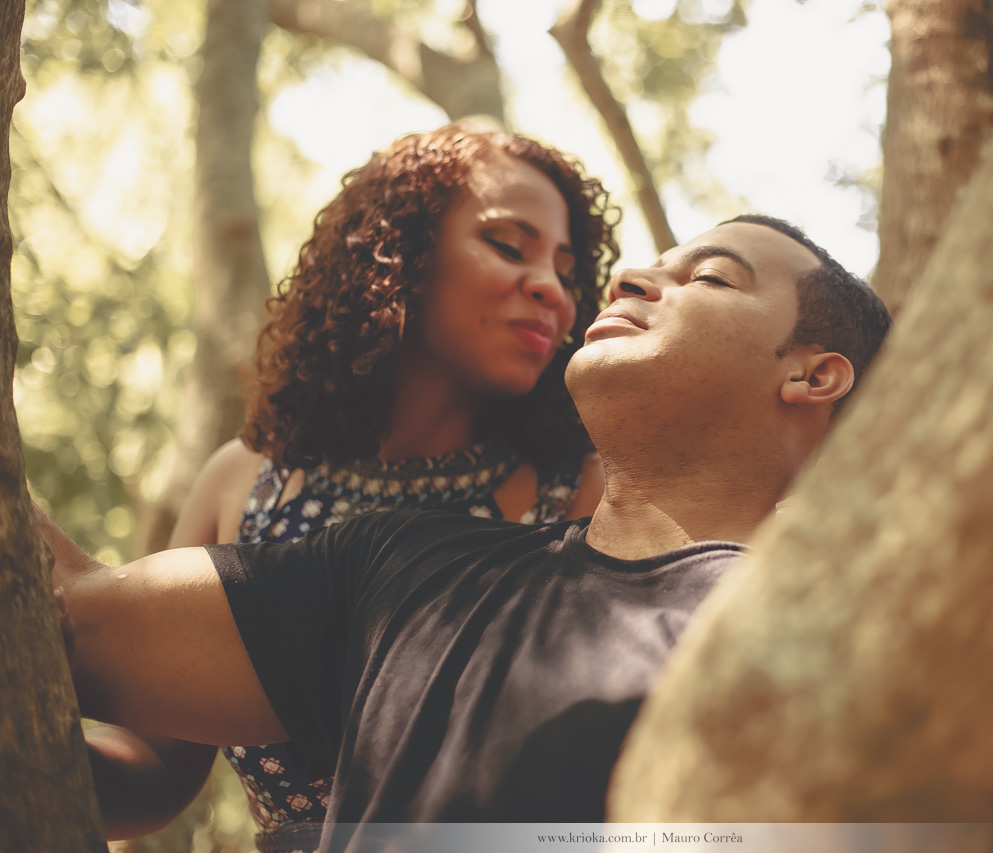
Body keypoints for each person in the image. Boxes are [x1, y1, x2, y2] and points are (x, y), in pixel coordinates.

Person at [46, 215, 892, 850]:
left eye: (710, 277)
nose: (633, 275)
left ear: (813, 374)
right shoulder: (402, 563)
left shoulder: (866, 639)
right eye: (647, 265)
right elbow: (66, 614)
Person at [82, 123, 618, 850]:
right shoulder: (242, 479)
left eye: (565, 269)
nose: (551, 289)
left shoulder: (588, 491)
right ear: (404, 254)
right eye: (509, 244)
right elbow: (154, 774)